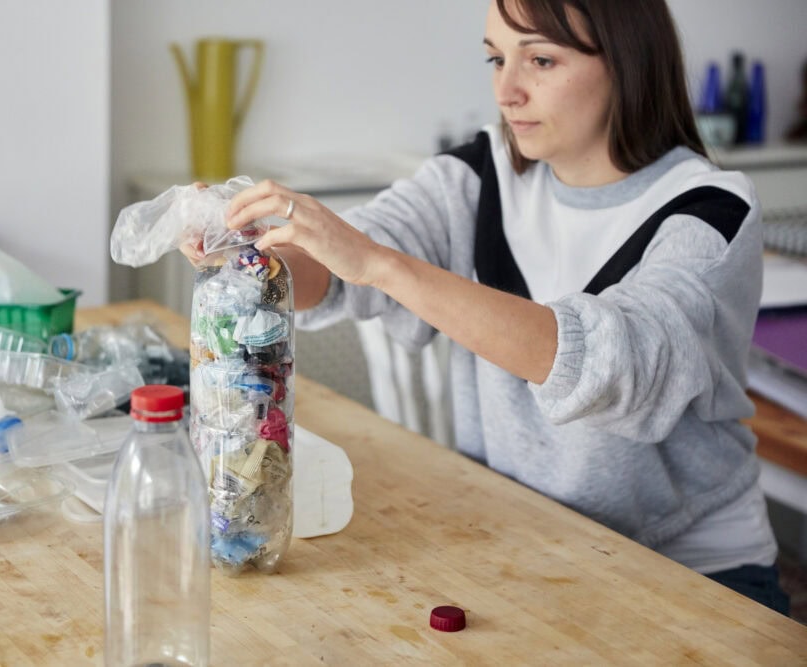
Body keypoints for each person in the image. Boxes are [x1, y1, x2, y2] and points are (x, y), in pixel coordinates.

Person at [183, 0, 790, 614]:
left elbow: (615, 367)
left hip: (691, 573)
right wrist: (250, 247)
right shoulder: (480, 173)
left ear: (628, 64)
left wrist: (379, 262)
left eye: (541, 60)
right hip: (530, 538)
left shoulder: (710, 210)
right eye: (497, 59)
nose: (507, 91)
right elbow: (334, 277)